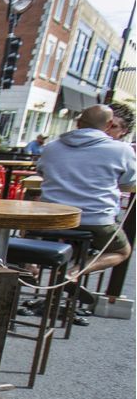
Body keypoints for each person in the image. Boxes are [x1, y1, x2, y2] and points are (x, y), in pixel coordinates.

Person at [37, 104, 135, 275]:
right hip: (94, 220)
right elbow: (128, 183)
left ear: (78, 122)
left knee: (30, 218)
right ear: (109, 124)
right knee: (121, 251)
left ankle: (32, 267)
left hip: (52, 217)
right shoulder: (122, 150)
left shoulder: (52, 146)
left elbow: (42, 172)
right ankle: (74, 273)